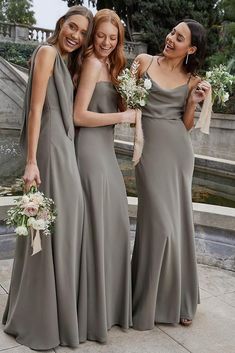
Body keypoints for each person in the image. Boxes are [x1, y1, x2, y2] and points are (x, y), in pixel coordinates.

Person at [2, 6, 93, 350]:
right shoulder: (46, 52)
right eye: (73, 26)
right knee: (49, 227)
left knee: (58, 226)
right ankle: (38, 317)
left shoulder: (67, 61)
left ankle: (51, 310)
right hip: (50, 151)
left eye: (82, 32)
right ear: (61, 24)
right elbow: (36, 108)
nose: (76, 35)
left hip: (64, 147)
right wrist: (30, 162)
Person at [131, 19, 210, 329]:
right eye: (172, 32)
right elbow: (124, 101)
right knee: (159, 225)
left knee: (177, 225)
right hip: (147, 150)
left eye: (180, 38)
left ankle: (180, 300)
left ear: (190, 49)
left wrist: (193, 102)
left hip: (177, 152)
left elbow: (186, 125)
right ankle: (146, 300)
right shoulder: (143, 61)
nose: (171, 38)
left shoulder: (192, 81)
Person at [73, 9, 135, 343]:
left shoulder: (114, 66)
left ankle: (106, 307)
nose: (107, 43)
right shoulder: (93, 64)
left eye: (113, 38)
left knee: (114, 226)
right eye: (101, 36)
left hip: (106, 153)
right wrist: (123, 114)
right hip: (90, 153)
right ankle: (91, 311)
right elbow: (78, 115)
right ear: (92, 35)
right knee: (98, 226)